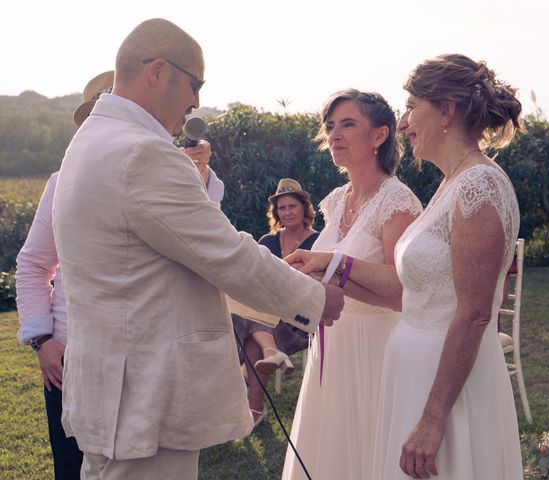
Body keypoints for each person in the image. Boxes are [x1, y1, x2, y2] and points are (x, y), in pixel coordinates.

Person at [51, 18, 343, 480]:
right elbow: (225, 254)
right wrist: (317, 300)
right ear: (159, 72)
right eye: (195, 84)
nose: (196, 103)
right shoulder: (141, 152)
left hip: (114, 394)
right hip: (146, 399)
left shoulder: (88, 143)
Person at [287, 54, 524, 479]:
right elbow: (418, 286)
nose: (404, 123)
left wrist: (434, 418)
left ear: (447, 109)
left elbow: (474, 313)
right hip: (413, 372)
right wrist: (330, 266)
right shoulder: (452, 183)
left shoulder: (480, 185)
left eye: (412, 107)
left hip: (445, 385)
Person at [15, 70, 223, 480]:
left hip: (149, 356)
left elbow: (203, 252)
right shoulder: (62, 183)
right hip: (74, 353)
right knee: (74, 468)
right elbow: (35, 264)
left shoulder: (173, 177)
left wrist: (196, 179)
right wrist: (42, 339)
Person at [281, 89, 423, 480]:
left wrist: (331, 264)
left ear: (379, 135)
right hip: (331, 343)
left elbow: (401, 291)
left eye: (347, 124)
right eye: (330, 127)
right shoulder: (336, 200)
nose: (334, 135)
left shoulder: (398, 201)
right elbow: (334, 276)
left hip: (375, 347)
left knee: (367, 451)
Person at [232, 178, 319, 427]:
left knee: (252, 325)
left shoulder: (317, 242)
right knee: (253, 317)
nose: (287, 212)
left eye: (292, 206)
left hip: (299, 318)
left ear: (304, 209)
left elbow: (315, 285)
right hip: (268, 312)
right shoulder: (266, 242)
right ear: (276, 212)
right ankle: (270, 354)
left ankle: (255, 406)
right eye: (282, 208)